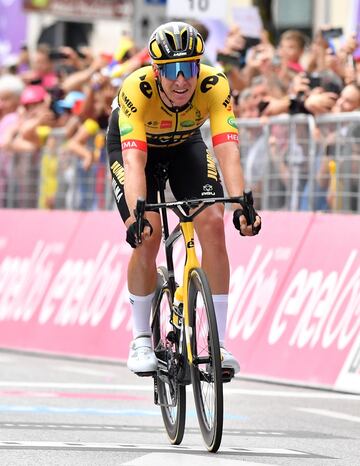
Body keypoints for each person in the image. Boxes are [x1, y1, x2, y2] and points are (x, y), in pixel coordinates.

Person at [106, 21, 261, 375]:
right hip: (135, 149)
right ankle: (141, 338)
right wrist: (136, 215)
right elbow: (133, 161)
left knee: (212, 220)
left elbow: (228, 150)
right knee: (148, 233)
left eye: (189, 68)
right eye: (172, 71)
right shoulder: (136, 88)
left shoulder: (215, 84)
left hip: (183, 145)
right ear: (156, 71)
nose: (182, 80)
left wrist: (240, 206)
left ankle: (218, 344)